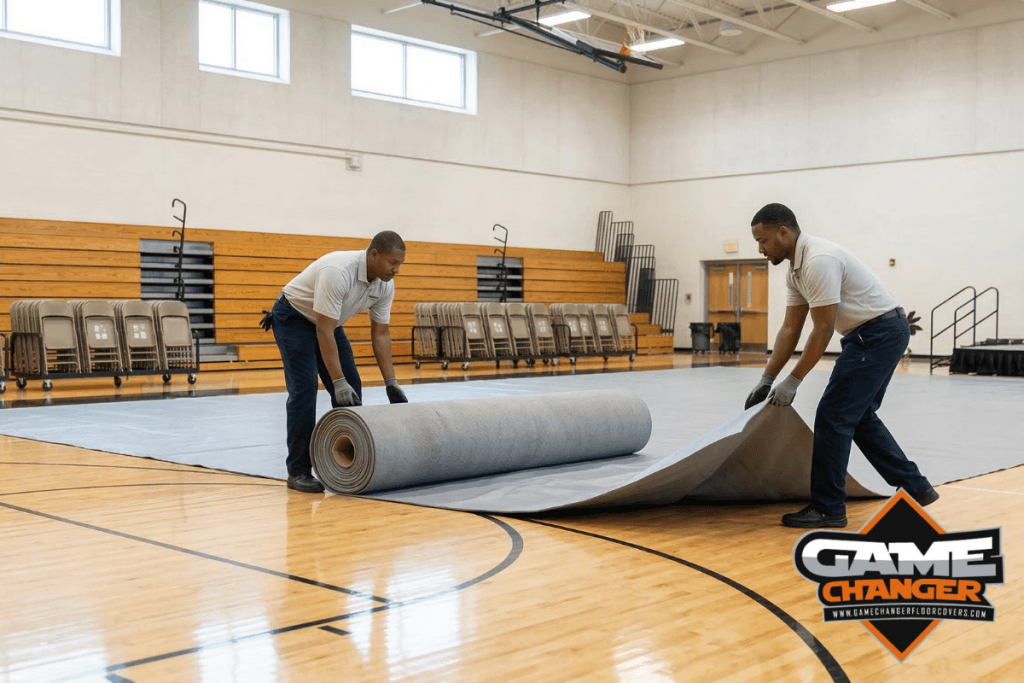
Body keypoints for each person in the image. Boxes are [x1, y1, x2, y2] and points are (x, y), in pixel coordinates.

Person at [744, 203, 937, 528]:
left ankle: (829, 509)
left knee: (833, 415)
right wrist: (767, 378)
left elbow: (822, 330)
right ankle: (916, 487)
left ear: (783, 232)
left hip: (876, 334)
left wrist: (792, 381)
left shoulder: (818, 260)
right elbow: (790, 328)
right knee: (857, 416)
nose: (761, 249)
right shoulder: (796, 272)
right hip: (876, 332)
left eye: (762, 241)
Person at [265, 231, 409, 494]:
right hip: (294, 317)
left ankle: (352, 463)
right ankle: (298, 471)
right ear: (374, 255)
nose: (396, 270)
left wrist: (391, 382)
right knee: (305, 390)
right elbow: (324, 330)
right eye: (392, 262)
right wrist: (337, 381)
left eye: (400, 264)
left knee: (352, 384)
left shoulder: (384, 285)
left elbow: (381, 334)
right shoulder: (338, 271)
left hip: (328, 322)